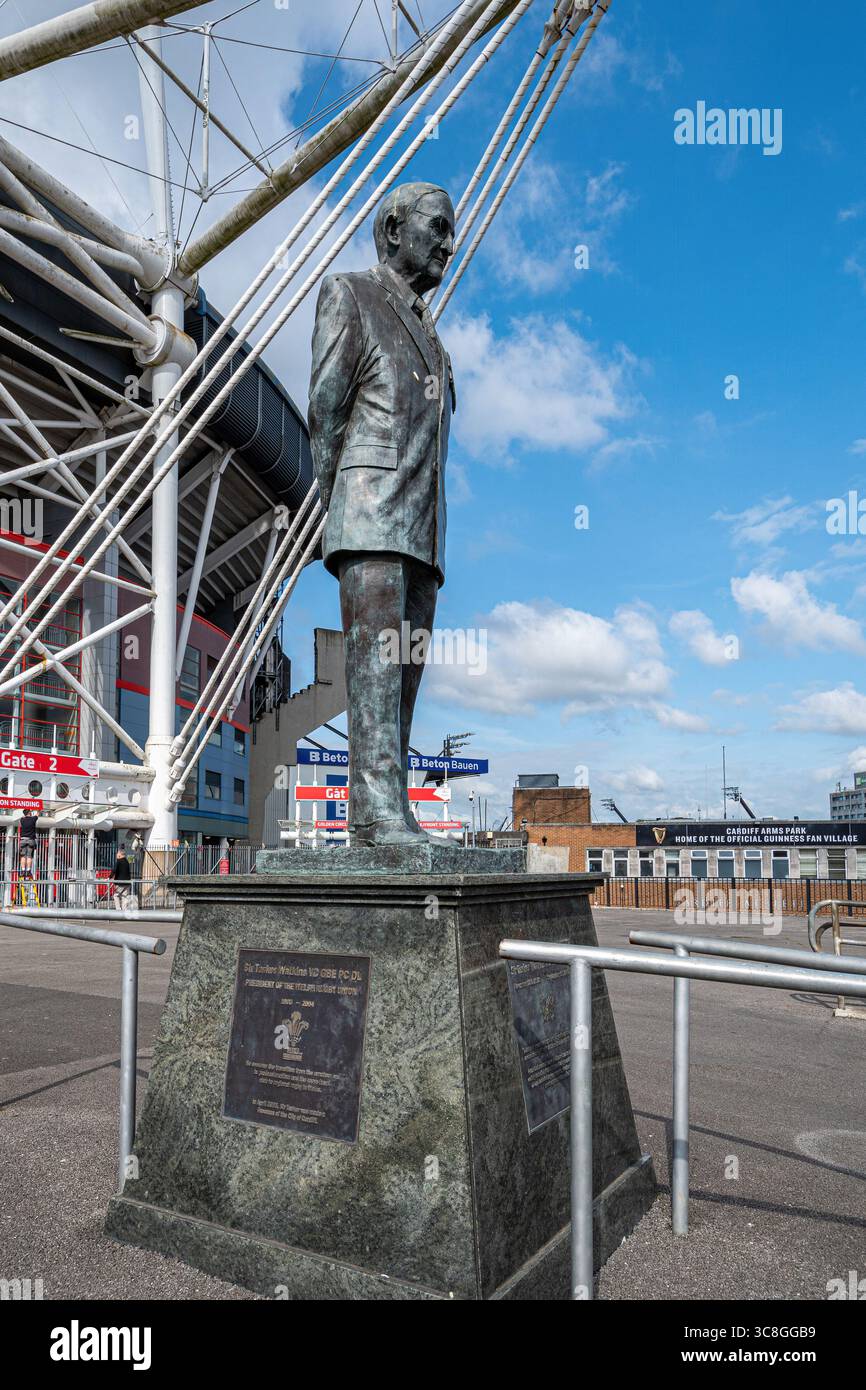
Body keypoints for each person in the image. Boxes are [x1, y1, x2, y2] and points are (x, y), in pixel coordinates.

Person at [308, 181, 456, 846]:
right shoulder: (351, 295)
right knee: (373, 666)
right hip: (369, 520)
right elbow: (326, 411)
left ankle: (389, 809)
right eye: (438, 228)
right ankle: (372, 812)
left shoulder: (435, 341)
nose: (449, 244)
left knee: (403, 676)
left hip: (423, 535)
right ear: (394, 231)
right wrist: (337, 506)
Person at [111, 847, 133, 912]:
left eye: (117, 853)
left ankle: (118, 909)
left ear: (120, 854)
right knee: (124, 896)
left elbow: (114, 870)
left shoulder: (119, 861)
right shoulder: (126, 861)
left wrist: (109, 877)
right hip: (127, 882)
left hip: (120, 883)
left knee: (116, 895)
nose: (116, 855)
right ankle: (124, 910)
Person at [18, 810, 38, 875]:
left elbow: (23, 816)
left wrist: (27, 812)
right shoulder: (33, 819)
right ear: (29, 813)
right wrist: (38, 810)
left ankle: (23, 871)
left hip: (23, 840)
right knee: (29, 856)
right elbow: (37, 813)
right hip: (31, 840)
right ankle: (28, 871)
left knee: (23, 856)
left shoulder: (22, 820)